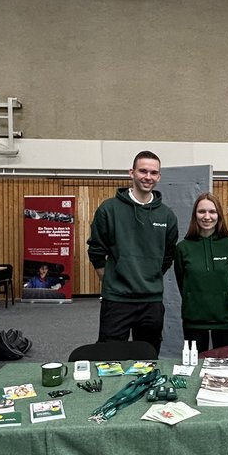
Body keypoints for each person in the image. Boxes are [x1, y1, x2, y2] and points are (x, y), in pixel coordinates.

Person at [87, 150, 178, 356]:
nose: (148, 177)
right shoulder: (109, 209)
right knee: (108, 358)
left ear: (159, 176)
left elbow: (167, 257)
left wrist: (148, 276)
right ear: (132, 173)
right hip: (117, 300)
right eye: (143, 171)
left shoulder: (167, 215)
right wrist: (112, 278)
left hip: (151, 301)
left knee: (147, 357)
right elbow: (96, 250)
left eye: (153, 172)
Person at [174, 193, 228, 354]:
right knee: (195, 366)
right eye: (201, 211)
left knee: (226, 367)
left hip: (225, 318)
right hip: (194, 320)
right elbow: (181, 281)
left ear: (219, 215)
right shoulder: (183, 248)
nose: (207, 217)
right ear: (194, 215)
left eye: (212, 212)